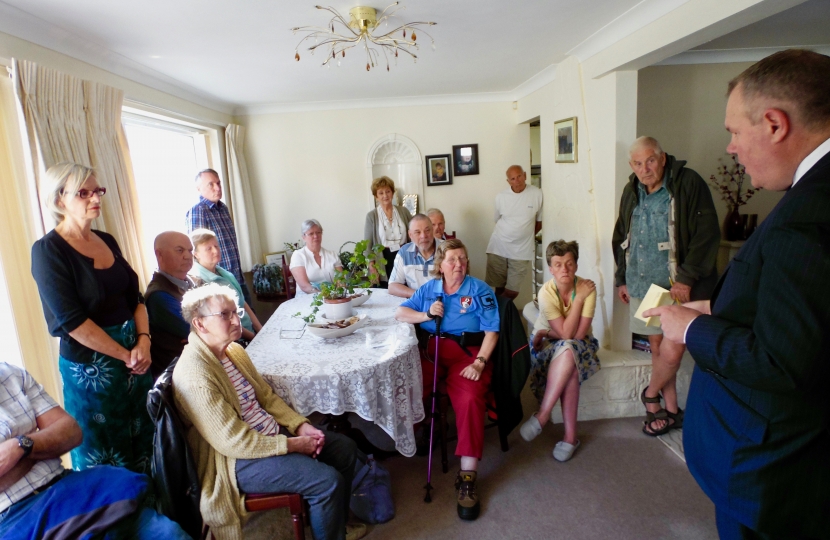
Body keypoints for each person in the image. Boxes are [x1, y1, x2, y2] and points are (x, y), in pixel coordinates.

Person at [645, 49, 830, 540]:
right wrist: (718, 307)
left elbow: (783, 360)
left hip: (775, 472)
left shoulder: (810, 214)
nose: (729, 147)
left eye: (733, 131)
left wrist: (690, 325)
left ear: (773, 124)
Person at [172, 283, 365, 540]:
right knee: (326, 482)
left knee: (345, 449)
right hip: (235, 460)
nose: (235, 320)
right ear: (200, 324)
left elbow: (266, 397)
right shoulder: (195, 374)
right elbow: (233, 442)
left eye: (235, 311)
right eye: (224, 314)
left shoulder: (233, 351)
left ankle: (331, 525)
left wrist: (300, 425)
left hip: (268, 434)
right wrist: (293, 445)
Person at [30, 162, 154, 473]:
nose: (95, 198)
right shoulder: (48, 251)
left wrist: (144, 341)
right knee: (105, 452)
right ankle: (116, 519)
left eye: (97, 190)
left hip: (135, 359)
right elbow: (73, 323)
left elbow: (135, 298)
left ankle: (153, 513)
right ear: (60, 200)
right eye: (83, 193)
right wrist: (126, 355)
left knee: (145, 441)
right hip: (91, 369)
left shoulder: (107, 239)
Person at [0, 362, 190, 538]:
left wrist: (21, 446)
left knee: (171, 533)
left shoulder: (12, 374)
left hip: (66, 488)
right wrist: (43, 444)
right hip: (11, 519)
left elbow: (71, 433)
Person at [611, 136, 719, 436]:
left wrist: (687, 277)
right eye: (637, 163)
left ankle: (649, 395)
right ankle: (670, 410)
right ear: (631, 166)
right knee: (658, 348)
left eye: (650, 161)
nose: (644, 168)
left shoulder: (687, 182)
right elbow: (621, 233)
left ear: (662, 158)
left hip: (675, 285)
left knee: (673, 350)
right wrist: (622, 277)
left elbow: (706, 233)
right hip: (643, 283)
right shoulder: (631, 189)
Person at [395, 239, 499, 521]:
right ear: (440, 265)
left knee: (469, 397)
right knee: (406, 385)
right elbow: (400, 312)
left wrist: (480, 362)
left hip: (468, 355)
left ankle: (467, 477)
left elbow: (492, 331)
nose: (458, 265)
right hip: (432, 353)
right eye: (452, 260)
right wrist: (425, 314)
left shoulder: (480, 290)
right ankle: (427, 427)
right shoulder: (429, 289)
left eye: (463, 259)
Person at [520, 240, 599, 462]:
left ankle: (542, 416)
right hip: (545, 346)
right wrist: (550, 335)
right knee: (569, 359)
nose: (564, 269)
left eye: (569, 263)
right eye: (558, 264)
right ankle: (570, 438)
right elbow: (565, 334)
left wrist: (547, 332)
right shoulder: (546, 293)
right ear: (550, 268)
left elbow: (579, 334)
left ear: (575, 264)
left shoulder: (587, 288)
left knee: (569, 348)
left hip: (578, 343)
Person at [186, 169, 252, 305]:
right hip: (218, 282)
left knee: (250, 320)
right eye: (211, 184)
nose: (217, 188)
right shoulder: (198, 211)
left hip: (236, 277)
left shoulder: (223, 209)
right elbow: (198, 249)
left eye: (218, 183)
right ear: (199, 188)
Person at [189, 228, 262, 343]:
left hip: (250, 333)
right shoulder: (199, 281)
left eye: (216, 246)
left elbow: (243, 303)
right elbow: (223, 320)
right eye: (208, 248)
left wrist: (260, 330)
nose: (215, 251)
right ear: (196, 254)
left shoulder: (225, 274)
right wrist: (253, 338)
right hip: (234, 340)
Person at [145, 231, 200, 379]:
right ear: (159, 255)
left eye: (190, 250)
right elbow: (203, 331)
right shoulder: (159, 296)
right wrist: (203, 330)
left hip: (201, 360)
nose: (188, 256)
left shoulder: (192, 283)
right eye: (180, 250)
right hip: (181, 374)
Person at [485, 165, 543, 300]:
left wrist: (524, 235)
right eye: (513, 178)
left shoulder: (537, 194)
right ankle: (499, 318)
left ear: (525, 175)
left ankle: (499, 314)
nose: (517, 181)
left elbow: (539, 222)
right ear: (508, 181)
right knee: (498, 287)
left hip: (522, 250)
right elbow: (497, 219)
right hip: (498, 246)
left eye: (519, 176)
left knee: (512, 291)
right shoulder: (501, 197)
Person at [364, 176, 412, 288]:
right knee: (386, 292)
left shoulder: (403, 211)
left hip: (403, 256)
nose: (385, 196)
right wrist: (372, 266)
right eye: (381, 193)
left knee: (404, 290)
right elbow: (367, 245)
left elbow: (413, 233)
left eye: (388, 191)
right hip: (383, 259)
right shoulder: (372, 216)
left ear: (393, 193)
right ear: (376, 196)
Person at [388, 214, 441, 298]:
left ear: (432, 230)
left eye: (427, 230)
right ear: (410, 235)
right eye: (417, 232)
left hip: (442, 302)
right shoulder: (404, 252)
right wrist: (419, 295)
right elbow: (393, 286)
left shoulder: (446, 250)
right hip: (416, 302)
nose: (423, 236)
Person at [290, 219, 343, 295]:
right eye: (311, 234)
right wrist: (323, 296)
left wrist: (337, 295)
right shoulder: (298, 255)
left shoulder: (332, 255)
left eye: (318, 232)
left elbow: (341, 281)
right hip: (307, 297)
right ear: (303, 237)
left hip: (332, 297)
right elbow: (304, 286)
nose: (316, 236)